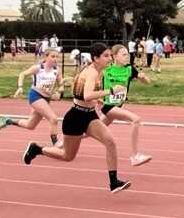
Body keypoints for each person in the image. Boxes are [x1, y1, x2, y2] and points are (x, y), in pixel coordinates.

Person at [22, 43, 131, 193]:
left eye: (110, 55)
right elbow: (87, 95)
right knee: (67, 156)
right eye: (106, 56)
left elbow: (81, 94)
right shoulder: (92, 72)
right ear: (96, 58)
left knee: (110, 142)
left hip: (89, 115)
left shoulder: (97, 71)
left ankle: (114, 182)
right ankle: (36, 149)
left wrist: (99, 100)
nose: (110, 58)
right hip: (76, 117)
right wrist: (110, 91)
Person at [0, 48, 63, 146]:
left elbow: (61, 84)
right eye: (53, 56)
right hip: (36, 96)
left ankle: (8, 121)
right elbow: (22, 74)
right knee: (53, 119)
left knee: (30, 125)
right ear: (46, 57)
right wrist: (20, 87)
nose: (55, 59)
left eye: (57, 57)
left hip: (47, 98)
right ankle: (56, 143)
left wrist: (59, 92)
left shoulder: (57, 70)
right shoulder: (38, 68)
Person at [99, 44, 152, 167]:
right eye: (123, 54)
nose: (127, 57)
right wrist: (98, 97)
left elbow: (147, 82)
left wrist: (143, 78)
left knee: (91, 130)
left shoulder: (129, 69)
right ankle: (135, 156)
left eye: (127, 54)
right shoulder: (106, 69)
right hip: (108, 106)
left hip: (118, 106)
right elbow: (95, 83)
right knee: (135, 120)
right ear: (114, 56)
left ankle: (64, 142)